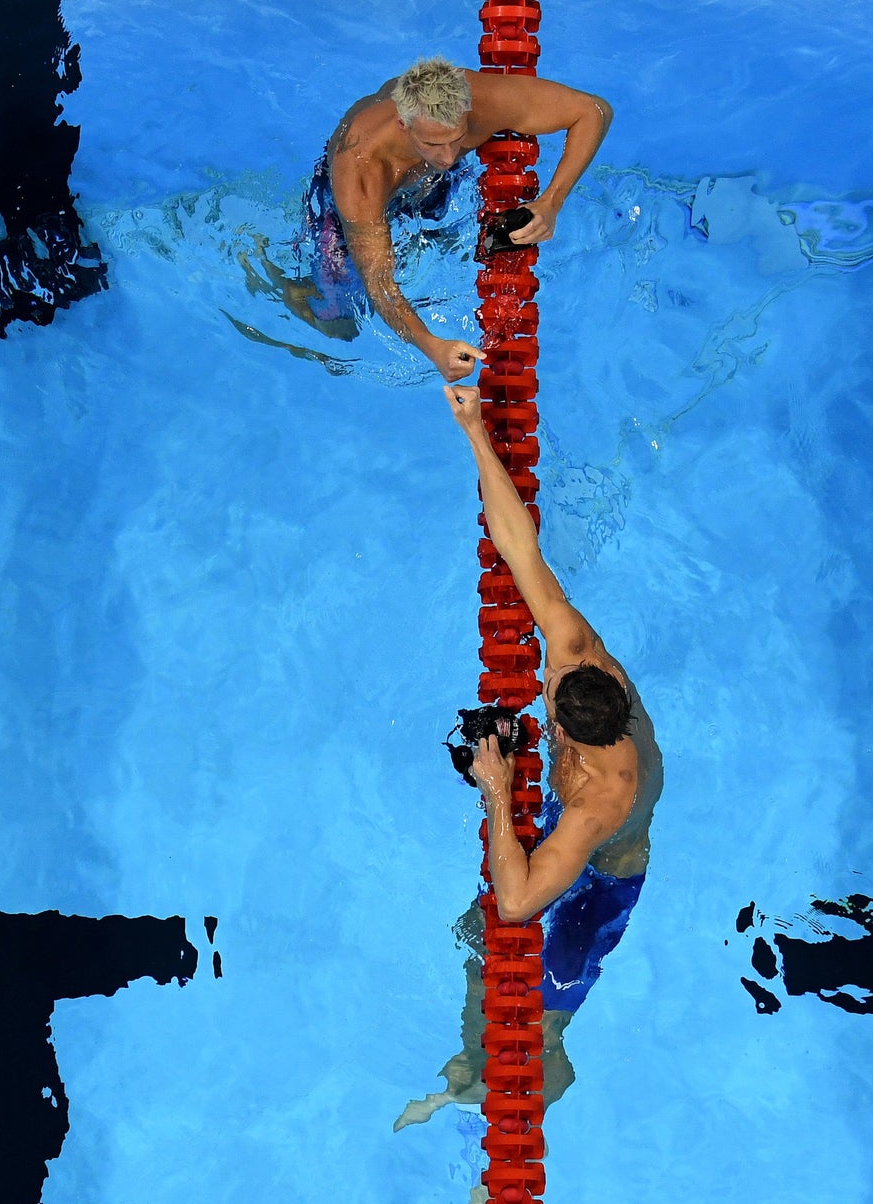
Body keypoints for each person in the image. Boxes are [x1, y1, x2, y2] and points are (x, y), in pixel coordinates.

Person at [394, 383, 662, 1135]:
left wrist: (497, 785)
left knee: (545, 1010)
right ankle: (462, 1076)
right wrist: (476, 429)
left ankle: (530, 1104)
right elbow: (519, 545)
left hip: (604, 875)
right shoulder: (576, 648)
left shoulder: (601, 799)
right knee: (475, 938)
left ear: (577, 738)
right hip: (567, 825)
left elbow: (522, 900)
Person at [251, 56, 611, 382]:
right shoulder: (361, 169)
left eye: (456, 140)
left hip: (423, 183)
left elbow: (593, 110)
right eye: (434, 144)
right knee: (342, 325)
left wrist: (551, 201)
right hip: (354, 203)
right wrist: (431, 345)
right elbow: (380, 284)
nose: (448, 155)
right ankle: (285, 284)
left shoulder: (483, 101)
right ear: (404, 126)